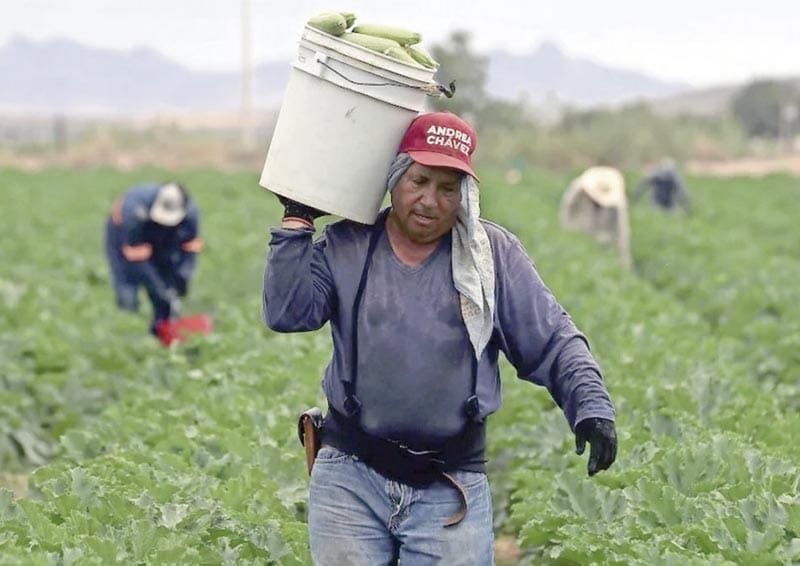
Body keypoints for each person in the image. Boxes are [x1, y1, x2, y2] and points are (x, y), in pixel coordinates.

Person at [263, 112, 617, 565]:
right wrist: (296, 223)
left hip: (449, 487)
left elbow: (552, 340)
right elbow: (288, 312)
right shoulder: (351, 244)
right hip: (350, 476)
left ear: (464, 194)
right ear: (394, 179)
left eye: (447, 188)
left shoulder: (491, 257)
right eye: (419, 181)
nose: (430, 200)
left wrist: (590, 406)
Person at [104, 181, 202, 334]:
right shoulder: (133, 211)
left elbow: (190, 251)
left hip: (163, 235)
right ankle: (129, 330)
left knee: (167, 281)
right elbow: (138, 262)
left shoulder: (191, 213)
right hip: (124, 236)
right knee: (127, 285)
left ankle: (161, 330)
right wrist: (159, 289)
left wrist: (181, 280)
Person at [559, 165, 631, 269]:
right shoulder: (579, 188)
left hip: (601, 237)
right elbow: (567, 208)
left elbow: (622, 230)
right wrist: (566, 231)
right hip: (578, 230)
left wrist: (624, 259)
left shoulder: (618, 202)